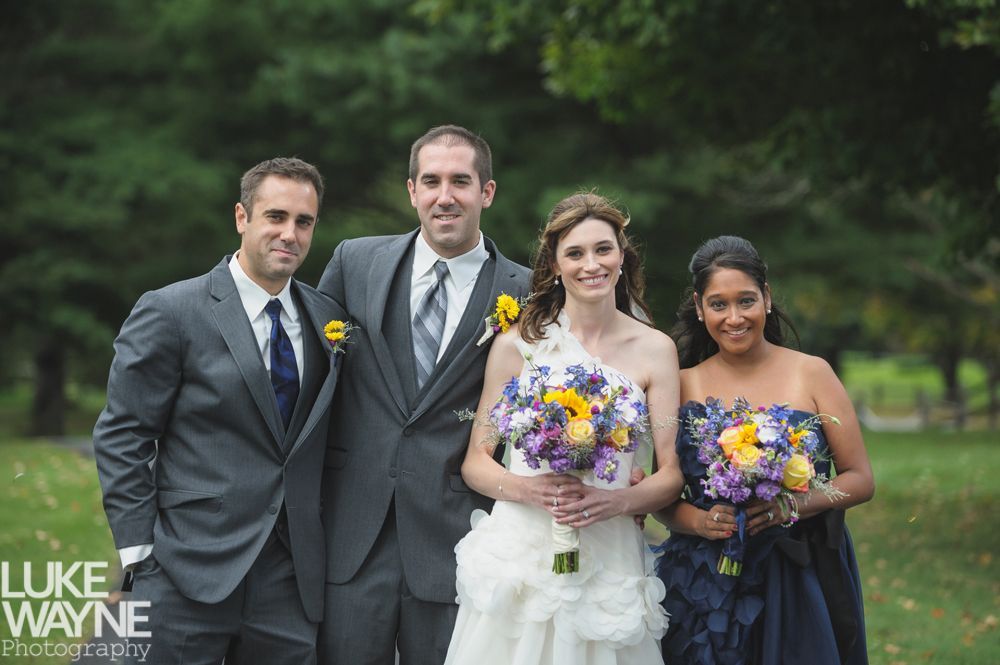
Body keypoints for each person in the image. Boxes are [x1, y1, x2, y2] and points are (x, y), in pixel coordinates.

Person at [93, 157, 343, 665]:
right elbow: (123, 435)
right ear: (241, 217)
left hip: (290, 582)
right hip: (185, 572)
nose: (289, 234)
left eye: (304, 221)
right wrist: (139, 553)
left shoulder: (327, 319)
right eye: (275, 216)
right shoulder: (171, 311)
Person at [315, 125, 532, 665]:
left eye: (461, 181)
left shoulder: (530, 293)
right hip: (352, 533)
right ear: (411, 190)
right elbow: (312, 376)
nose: (445, 196)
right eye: (430, 181)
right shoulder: (354, 262)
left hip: (461, 536)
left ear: (487, 192)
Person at [445, 192, 684, 664]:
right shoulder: (518, 345)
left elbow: (670, 471)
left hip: (610, 548)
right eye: (574, 253)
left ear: (622, 256)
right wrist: (526, 489)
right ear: (555, 264)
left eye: (603, 249)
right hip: (521, 553)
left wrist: (618, 501)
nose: (591, 264)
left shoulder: (656, 349)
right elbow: (477, 460)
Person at [655, 235, 874, 664]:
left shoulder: (813, 373)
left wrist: (791, 505)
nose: (734, 317)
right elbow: (665, 494)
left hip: (800, 572)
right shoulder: (681, 384)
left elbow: (860, 479)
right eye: (718, 304)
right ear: (700, 309)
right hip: (705, 580)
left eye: (746, 301)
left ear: (767, 299)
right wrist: (700, 522)